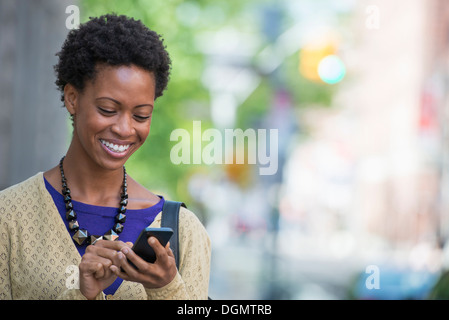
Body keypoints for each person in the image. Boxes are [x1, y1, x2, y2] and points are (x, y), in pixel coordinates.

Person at [0, 14, 211, 300]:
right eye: (108, 110)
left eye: (141, 115)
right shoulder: (9, 217)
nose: (124, 129)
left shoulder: (184, 231)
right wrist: (82, 295)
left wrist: (166, 288)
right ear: (72, 98)